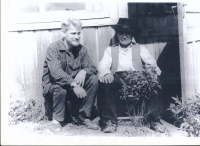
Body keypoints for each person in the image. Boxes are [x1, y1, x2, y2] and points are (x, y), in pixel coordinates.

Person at [98, 18, 163, 133]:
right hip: (117, 79)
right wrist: (107, 73)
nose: (124, 36)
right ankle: (110, 121)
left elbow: (150, 61)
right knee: (105, 81)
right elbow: (103, 64)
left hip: (137, 78)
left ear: (132, 35)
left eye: (127, 33)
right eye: (121, 33)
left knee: (154, 81)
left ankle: (153, 119)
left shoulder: (139, 48)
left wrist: (152, 71)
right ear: (117, 35)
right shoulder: (110, 49)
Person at [42, 18, 99, 132]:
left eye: (78, 33)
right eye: (73, 33)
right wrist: (74, 84)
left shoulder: (81, 49)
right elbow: (56, 72)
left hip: (72, 88)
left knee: (93, 79)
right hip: (54, 86)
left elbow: (92, 68)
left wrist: (84, 71)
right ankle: (56, 120)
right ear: (63, 32)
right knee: (59, 87)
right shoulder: (54, 48)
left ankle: (84, 116)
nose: (77, 36)